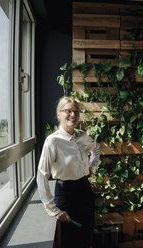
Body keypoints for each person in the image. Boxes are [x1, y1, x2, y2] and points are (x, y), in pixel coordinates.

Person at [37, 96, 101, 247]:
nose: (73, 115)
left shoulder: (82, 136)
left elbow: (96, 148)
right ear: (58, 114)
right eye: (68, 111)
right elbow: (41, 176)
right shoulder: (52, 141)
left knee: (86, 236)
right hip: (66, 195)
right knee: (70, 241)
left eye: (76, 112)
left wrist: (91, 168)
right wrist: (53, 210)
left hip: (85, 191)